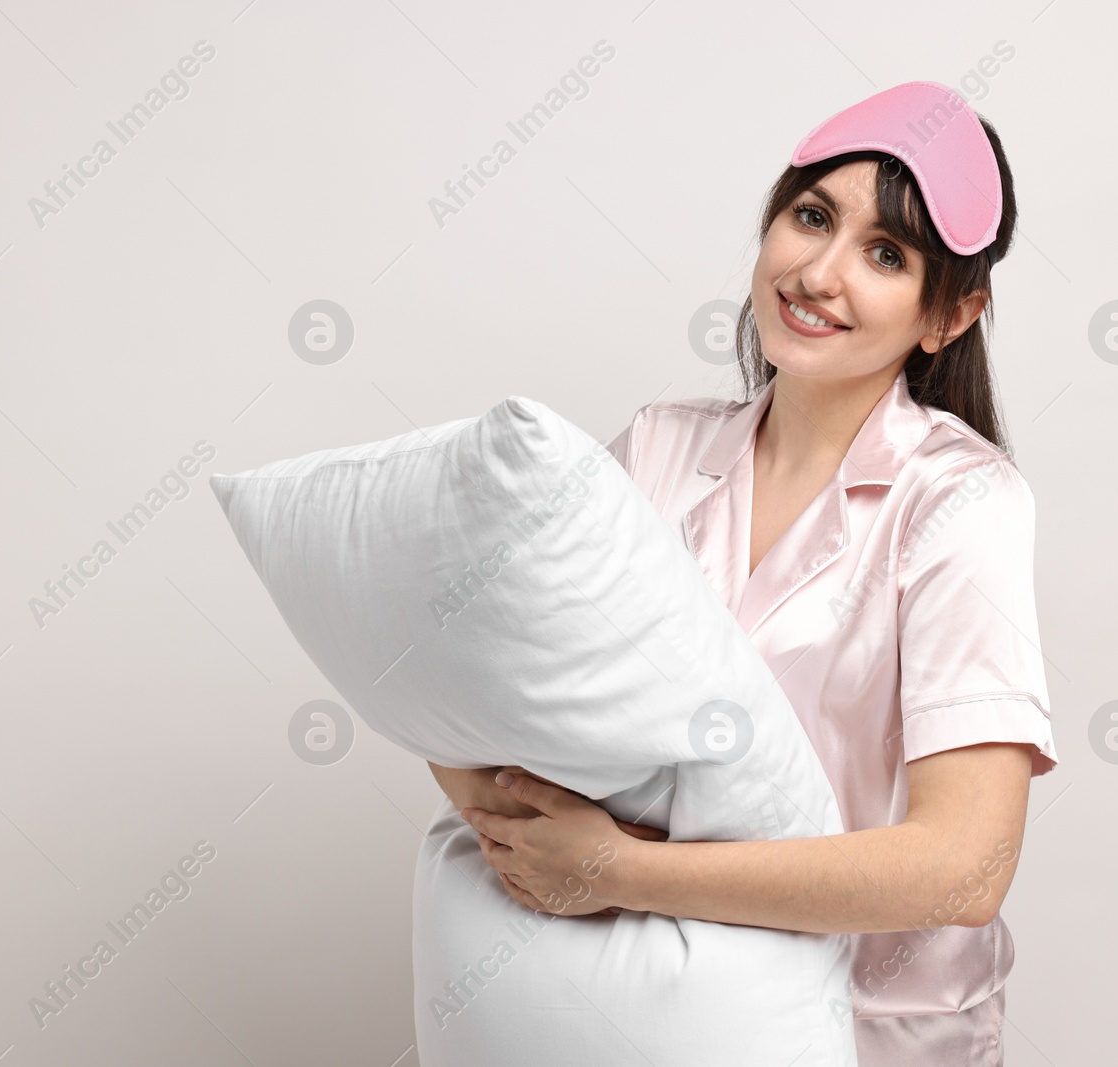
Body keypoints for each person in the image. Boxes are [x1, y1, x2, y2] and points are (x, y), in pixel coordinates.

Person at [428, 81, 1059, 1065]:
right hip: (628, 1014)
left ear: (949, 313)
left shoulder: (959, 504)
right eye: (811, 217)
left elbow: (961, 866)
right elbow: (472, 683)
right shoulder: (656, 453)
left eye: (885, 254)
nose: (818, 271)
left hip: (863, 1035)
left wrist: (618, 870)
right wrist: (527, 838)